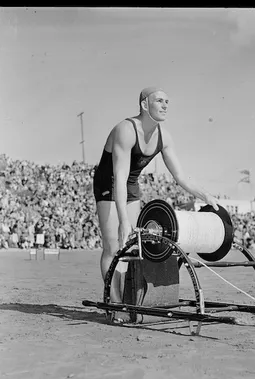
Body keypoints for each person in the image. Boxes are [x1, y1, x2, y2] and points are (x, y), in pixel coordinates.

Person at [93, 86, 221, 305]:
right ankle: (114, 304)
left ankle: (127, 298)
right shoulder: (125, 129)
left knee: (130, 245)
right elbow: (119, 177)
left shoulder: (165, 137)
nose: (165, 105)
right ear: (144, 104)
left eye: (167, 102)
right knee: (113, 245)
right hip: (109, 182)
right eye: (160, 101)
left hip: (130, 184)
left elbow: (181, 176)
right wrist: (123, 220)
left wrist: (206, 195)